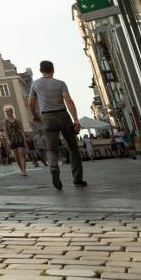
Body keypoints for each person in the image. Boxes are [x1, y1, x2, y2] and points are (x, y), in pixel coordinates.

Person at [28, 59, 86, 191]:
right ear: (53, 70)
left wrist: (34, 115)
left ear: (40, 71)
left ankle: (54, 166)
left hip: (47, 117)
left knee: (51, 149)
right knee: (73, 149)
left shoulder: (35, 84)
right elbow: (68, 100)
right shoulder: (60, 83)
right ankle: (77, 180)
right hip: (63, 115)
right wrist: (76, 120)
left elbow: (30, 103)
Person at [2, 105, 28, 176]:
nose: (7, 113)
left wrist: (25, 140)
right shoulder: (5, 121)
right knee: (16, 156)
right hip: (12, 140)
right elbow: (5, 131)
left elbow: (22, 131)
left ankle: (24, 170)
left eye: (8, 111)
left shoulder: (17, 121)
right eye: (6, 111)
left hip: (19, 138)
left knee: (21, 154)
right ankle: (21, 169)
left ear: (11, 111)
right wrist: (8, 140)